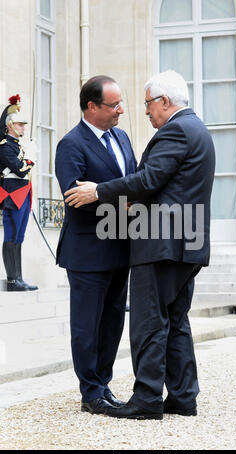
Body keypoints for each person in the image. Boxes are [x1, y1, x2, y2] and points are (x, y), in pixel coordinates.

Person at [64, 70, 215, 420]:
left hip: (162, 243)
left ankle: (147, 399)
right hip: (185, 242)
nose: (145, 111)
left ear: (165, 102)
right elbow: (163, 185)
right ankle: (182, 396)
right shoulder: (197, 128)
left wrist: (99, 191)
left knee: (149, 322)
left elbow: (149, 178)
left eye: (148, 103)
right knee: (176, 321)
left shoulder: (176, 129)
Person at [55, 76, 136, 414]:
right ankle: (90, 393)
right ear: (91, 106)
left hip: (121, 248)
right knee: (87, 325)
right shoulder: (71, 144)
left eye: (120, 103)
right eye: (113, 105)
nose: (121, 110)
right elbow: (75, 196)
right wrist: (124, 204)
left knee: (113, 321)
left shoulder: (122, 137)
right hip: (88, 252)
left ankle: (104, 383)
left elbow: (132, 178)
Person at [0, 95, 38, 291]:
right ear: (10, 126)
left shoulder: (18, 146)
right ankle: (12, 280)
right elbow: (20, 169)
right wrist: (30, 158)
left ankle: (19, 278)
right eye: (20, 124)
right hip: (12, 195)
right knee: (11, 236)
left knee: (19, 237)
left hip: (23, 193)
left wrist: (28, 155)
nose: (23, 127)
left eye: (23, 125)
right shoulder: (5, 147)